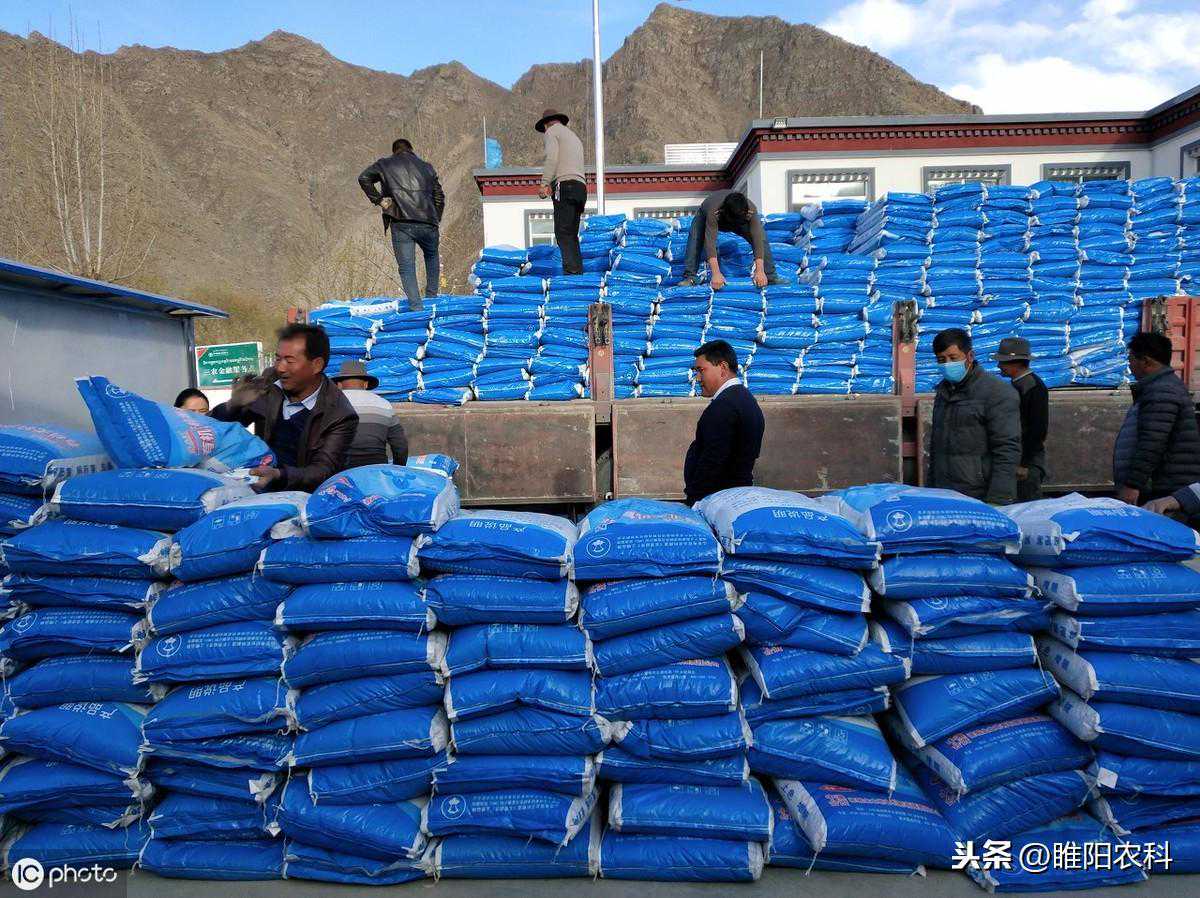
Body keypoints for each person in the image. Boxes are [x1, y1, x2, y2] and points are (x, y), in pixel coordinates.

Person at [211, 324, 358, 493]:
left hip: (302, 497)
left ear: (317, 365)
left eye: (290, 361)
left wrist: (279, 475)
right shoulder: (268, 385)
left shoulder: (339, 414)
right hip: (255, 487)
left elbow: (323, 470)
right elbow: (215, 430)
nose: (280, 368)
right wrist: (233, 405)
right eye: (278, 359)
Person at [928, 328, 1022, 505]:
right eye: (941, 360)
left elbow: (1007, 449)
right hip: (944, 492)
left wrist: (999, 498)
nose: (947, 364)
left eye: (953, 358)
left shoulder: (997, 393)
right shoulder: (944, 392)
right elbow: (936, 448)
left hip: (979, 494)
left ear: (970, 356)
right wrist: (932, 489)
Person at [1112, 331, 1200, 506]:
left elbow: (1152, 442)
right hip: (1165, 484)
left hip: (1166, 487)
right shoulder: (1161, 387)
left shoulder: (1162, 391)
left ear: (1145, 361)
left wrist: (1133, 485)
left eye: (1131, 360)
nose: (1130, 366)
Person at [358, 138, 446, 311]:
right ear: (411, 150)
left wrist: (379, 200)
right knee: (432, 257)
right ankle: (432, 299)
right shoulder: (427, 167)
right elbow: (439, 196)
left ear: (394, 151)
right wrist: (435, 218)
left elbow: (363, 178)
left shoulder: (385, 164)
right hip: (428, 222)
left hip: (401, 223)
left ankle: (417, 308)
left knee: (407, 267)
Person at [683, 339, 765, 505]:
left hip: (716, 500)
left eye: (701, 370)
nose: (698, 378)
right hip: (734, 498)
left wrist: (695, 501)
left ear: (722, 367)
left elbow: (712, 462)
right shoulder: (745, 399)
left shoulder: (724, 406)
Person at [679, 190, 784, 290]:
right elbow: (710, 244)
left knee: (762, 238)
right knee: (695, 238)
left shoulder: (750, 210)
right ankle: (690, 277)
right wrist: (716, 274)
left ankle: (770, 276)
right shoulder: (714, 211)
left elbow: (757, 240)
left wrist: (760, 271)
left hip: (740, 221)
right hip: (711, 217)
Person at [993, 337, 1049, 502]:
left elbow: (1037, 429)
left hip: (1026, 464)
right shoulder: (1018, 385)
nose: (999, 366)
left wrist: (1024, 463)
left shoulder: (1032, 387)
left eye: (1003, 362)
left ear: (1017, 363)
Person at [329, 360, 409, 468]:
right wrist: (398, 468)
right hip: (376, 469)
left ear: (339, 385)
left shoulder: (329, 405)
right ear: (366, 384)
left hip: (339, 471)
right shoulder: (384, 405)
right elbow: (400, 445)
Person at [535, 109, 586, 276]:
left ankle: (571, 275)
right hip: (580, 188)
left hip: (565, 187)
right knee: (572, 234)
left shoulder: (551, 132)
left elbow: (552, 158)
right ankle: (577, 273)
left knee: (563, 232)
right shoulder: (573, 137)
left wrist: (544, 183)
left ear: (546, 125)